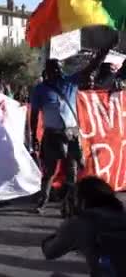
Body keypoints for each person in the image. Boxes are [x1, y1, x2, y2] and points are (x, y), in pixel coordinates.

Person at [30, 46, 110, 217]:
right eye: (54, 68)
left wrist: (103, 52)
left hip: (72, 134)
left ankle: (68, 206)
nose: (58, 71)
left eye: (59, 68)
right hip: (52, 135)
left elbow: (91, 67)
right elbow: (34, 115)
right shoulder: (40, 90)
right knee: (49, 172)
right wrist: (33, 137)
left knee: (72, 172)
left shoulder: (70, 82)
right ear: (47, 72)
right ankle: (42, 202)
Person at [42, 176, 126, 276]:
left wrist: (67, 225)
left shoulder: (82, 221)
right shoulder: (121, 215)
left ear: (82, 200)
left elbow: (50, 251)